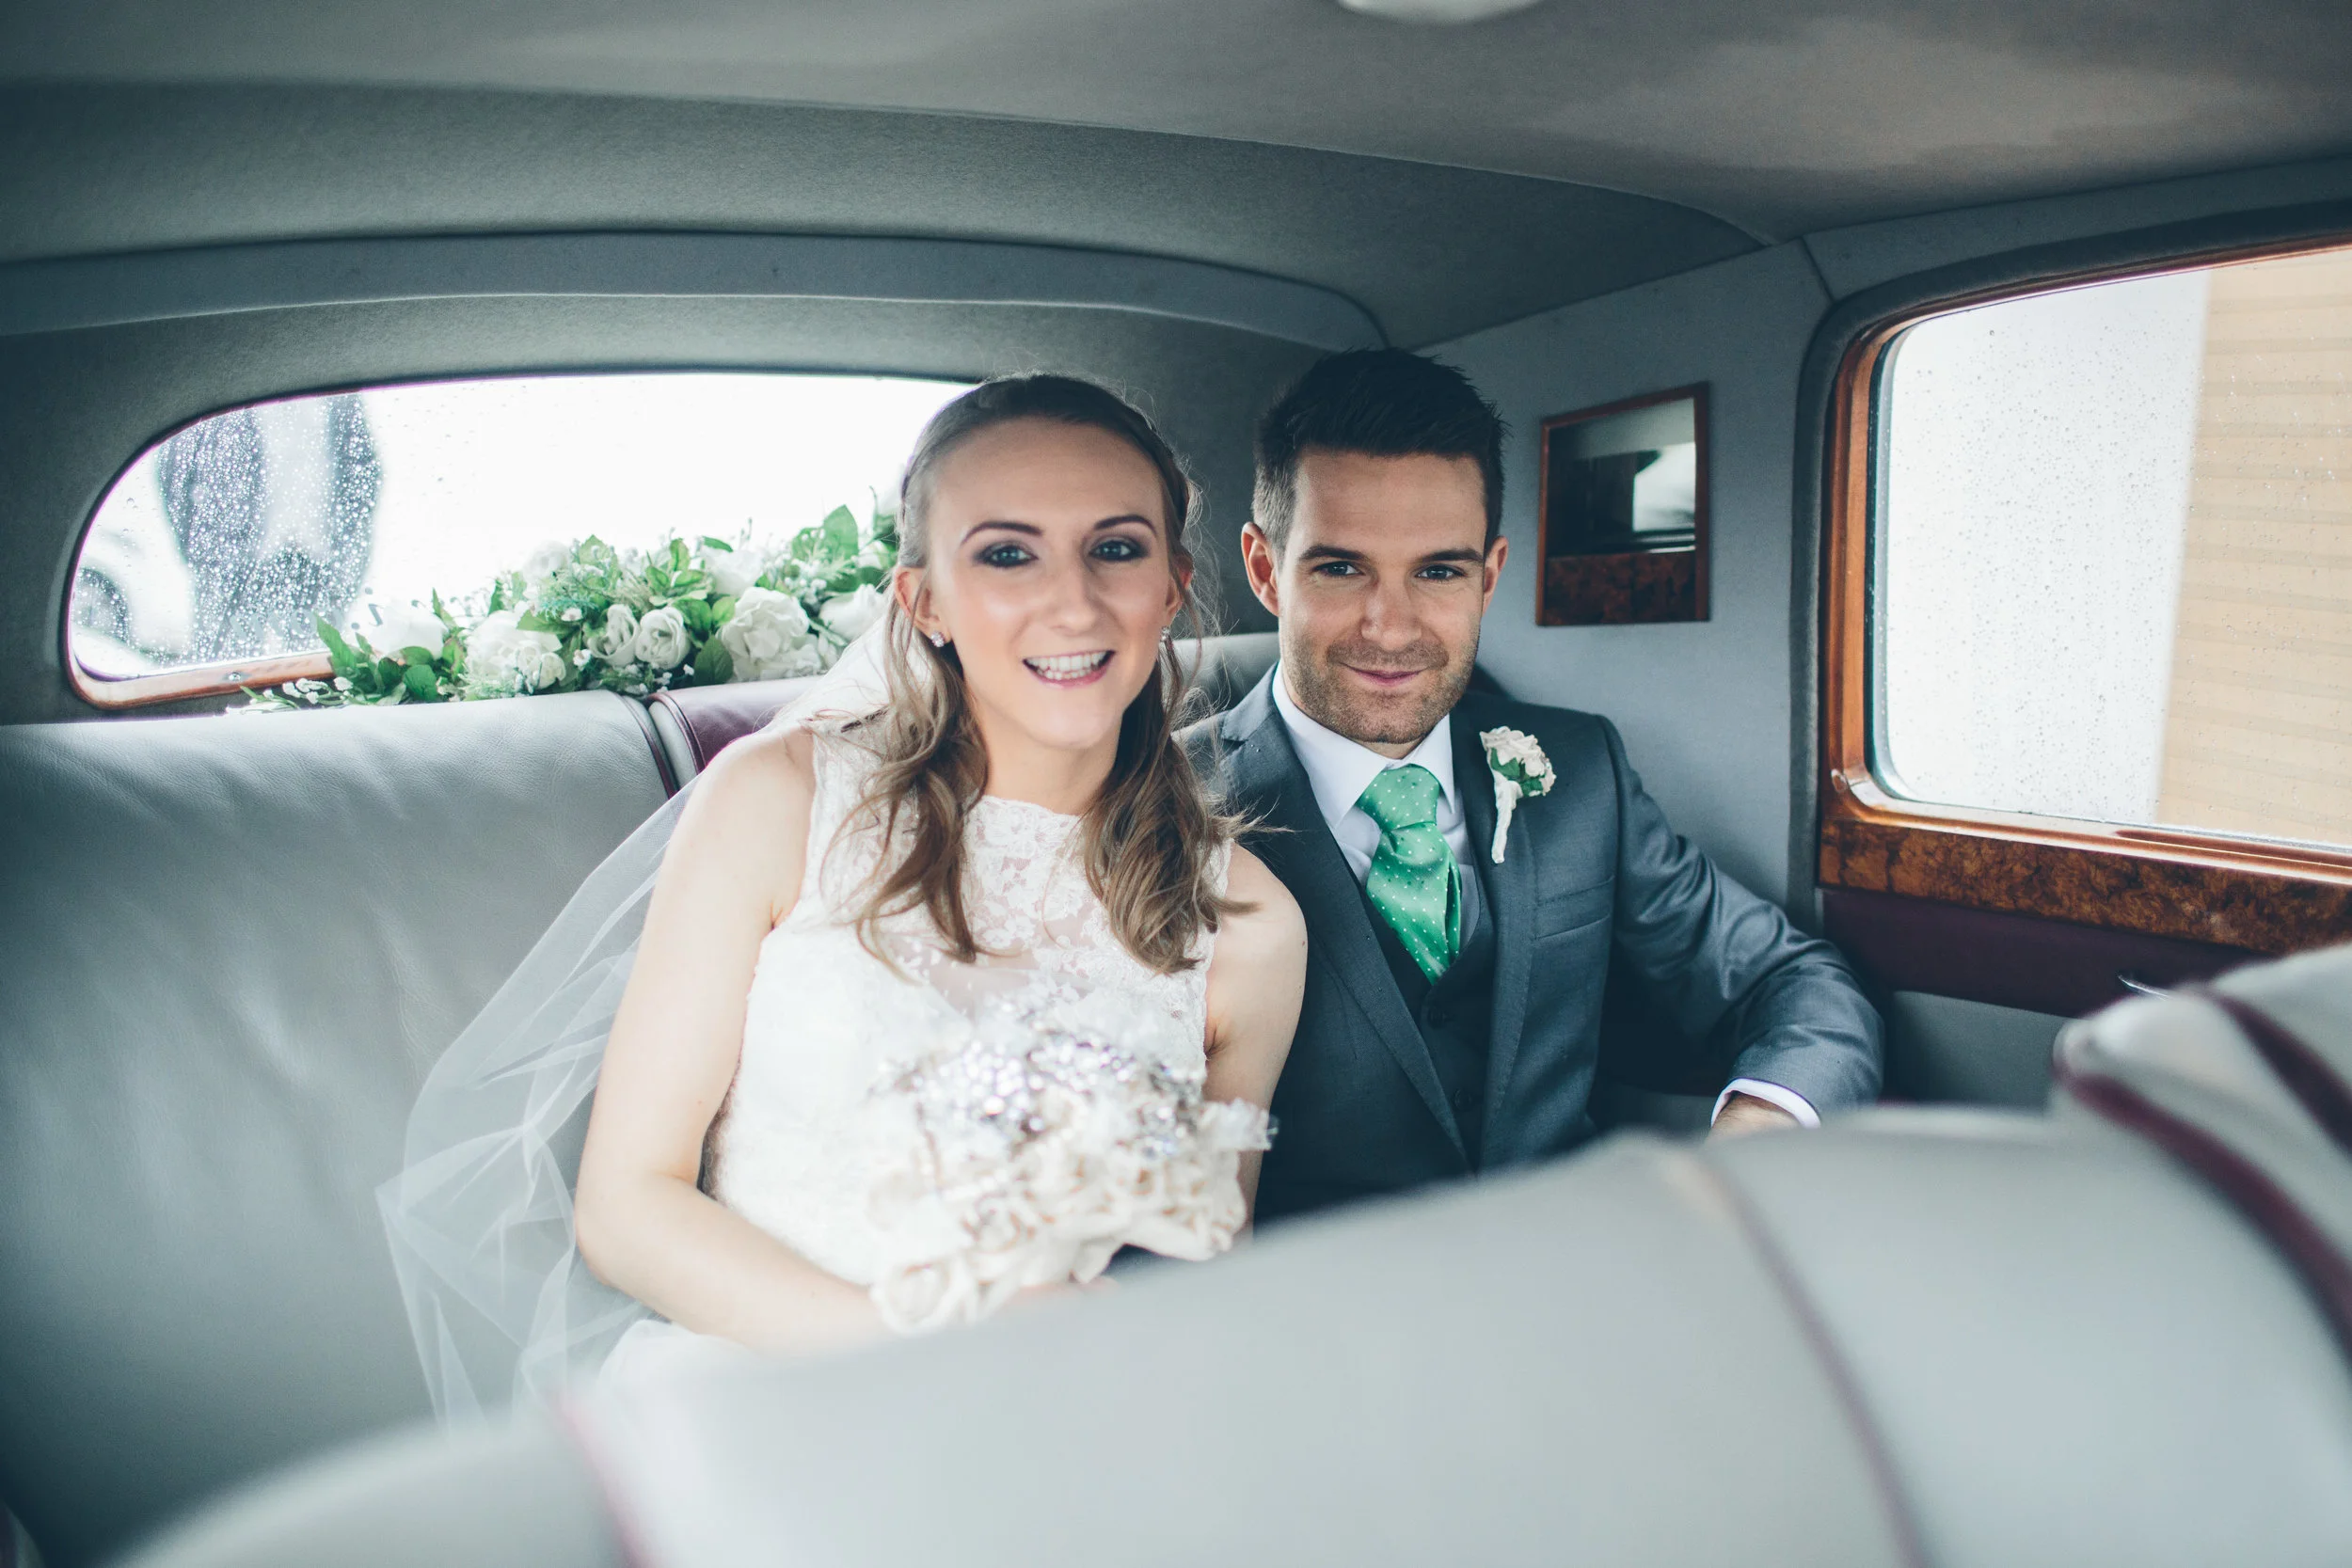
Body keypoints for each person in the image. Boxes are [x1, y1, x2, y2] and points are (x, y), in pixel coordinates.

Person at [384, 376, 1303, 1413]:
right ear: (923, 603)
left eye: (1117, 548)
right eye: (1006, 552)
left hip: (1070, 1411)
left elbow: (1205, 1257)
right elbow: (627, 1204)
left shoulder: (1252, 926)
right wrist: (915, 1354)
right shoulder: (778, 806)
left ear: (1173, 585)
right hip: (776, 1398)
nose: (1075, 602)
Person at [1188, 349, 1880, 1224]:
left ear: (1492, 572)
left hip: (1577, 1273)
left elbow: (1792, 978)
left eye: (1439, 570)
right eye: (1341, 568)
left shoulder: (1582, 769)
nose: (1391, 626)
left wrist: (1758, 1132)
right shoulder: (1158, 804)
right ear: (1263, 570)